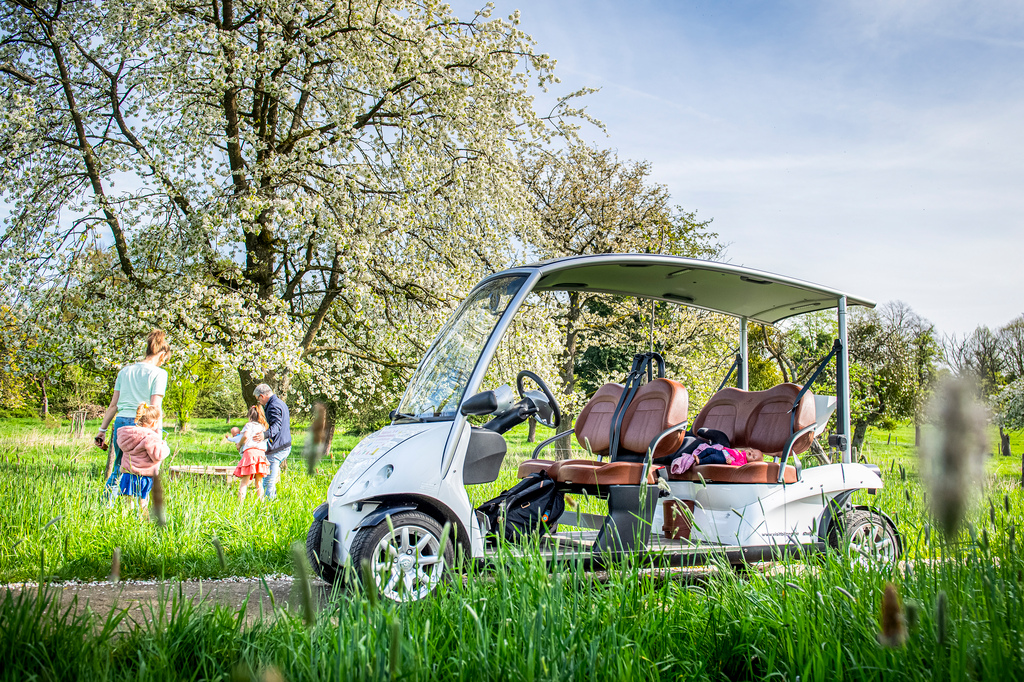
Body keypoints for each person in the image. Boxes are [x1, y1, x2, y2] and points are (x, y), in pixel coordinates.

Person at [95, 329, 171, 499]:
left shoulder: (124, 371)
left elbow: (113, 405)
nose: (163, 363)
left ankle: (106, 506)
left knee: (120, 467)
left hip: (121, 423)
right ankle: (138, 506)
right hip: (144, 424)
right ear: (162, 354)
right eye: (165, 360)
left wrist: (102, 430)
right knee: (144, 468)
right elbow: (155, 406)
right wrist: (157, 434)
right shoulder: (159, 373)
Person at [115, 402, 170, 519]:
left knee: (127, 503)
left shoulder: (126, 434)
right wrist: (164, 446)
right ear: (154, 422)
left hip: (127, 475)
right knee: (143, 503)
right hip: (143, 476)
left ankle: (126, 522)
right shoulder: (150, 437)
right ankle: (143, 523)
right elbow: (158, 455)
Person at [250, 383, 291, 499]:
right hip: (285, 444)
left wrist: (265, 435)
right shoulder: (280, 403)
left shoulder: (273, 406)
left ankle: (269, 506)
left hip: (278, 447)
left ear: (262, 396)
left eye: (258, 399)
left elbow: (277, 425)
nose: (259, 402)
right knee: (271, 478)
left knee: (268, 480)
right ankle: (273, 500)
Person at [234, 405, 271, 502]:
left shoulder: (249, 425)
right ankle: (261, 503)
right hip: (261, 455)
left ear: (250, 415)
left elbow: (245, 436)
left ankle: (240, 504)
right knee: (259, 482)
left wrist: (239, 444)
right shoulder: (263, 427)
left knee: (244, 482)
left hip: (250, 454)